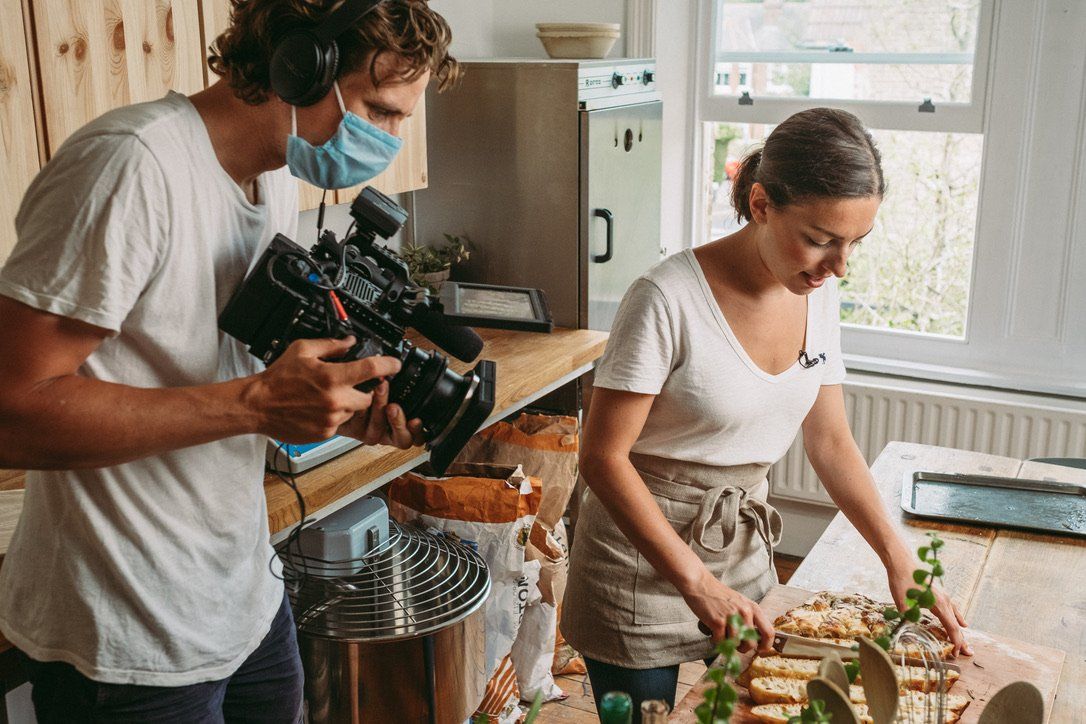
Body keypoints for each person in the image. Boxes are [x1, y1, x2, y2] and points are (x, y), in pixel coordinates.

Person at [0, 1, 458, 720]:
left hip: (241, 595)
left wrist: (334, 412)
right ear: (301, 65)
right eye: (380, 109)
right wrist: (256, 405)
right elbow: (11, 413)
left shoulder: (273, 171)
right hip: (131, 633)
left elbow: (215, 378)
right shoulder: (130, 166)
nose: (392, 137)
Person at [561, 108, 972, 716]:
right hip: (636, 559)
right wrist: (697, 583)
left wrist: (898, 556)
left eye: (854, 243)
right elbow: (602, 459)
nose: (838, 267)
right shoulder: (665, 297)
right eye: (820, 238)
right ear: (760, 204)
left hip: (743, 547)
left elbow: (830, 441)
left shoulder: (816, 291)